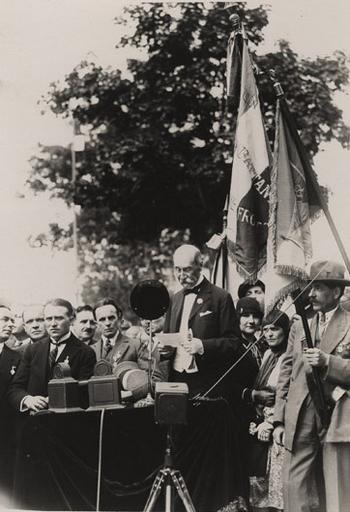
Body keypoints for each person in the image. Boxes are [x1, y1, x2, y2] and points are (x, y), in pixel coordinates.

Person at [273, 260, 350, 512]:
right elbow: (286, 373)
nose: (312, 293)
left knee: (337, 489)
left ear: (337, 292)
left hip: (337, 416)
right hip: (301, 414)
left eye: (319, 288)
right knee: (293, 486)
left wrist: (329, 361)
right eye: (311, 287)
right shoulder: (299, 326)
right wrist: (279, 420)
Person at [163, 244, 239, 398]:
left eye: (187, 269)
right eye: (177, 269)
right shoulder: (175, 299)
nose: (181, 275)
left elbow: (234, 342)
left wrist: (203, 346)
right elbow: (169, 337)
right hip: (177, 379)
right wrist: (165, 350)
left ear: (200, 265)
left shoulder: (220, 297)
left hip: (207, 382)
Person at [8, 298, 96, 413]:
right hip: (34, 421)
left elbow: (85, 392)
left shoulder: (86, 352)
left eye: (59, 318)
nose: (53, 324)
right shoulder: (32, 350)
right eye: (49, 319)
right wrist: (28, 400)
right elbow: (15, 388)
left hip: (67, 421)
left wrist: (56, 399)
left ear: (72, 319)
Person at [245, 310, 290, 512]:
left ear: (286, 331)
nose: (270, 334)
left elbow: (288, 394)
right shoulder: (268, 355)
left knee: (278, 490)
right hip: (261, 426)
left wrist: (272, 423)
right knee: (258, 487)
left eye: (275, 329)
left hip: (281, 426)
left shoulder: (291, 356)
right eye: (266, 330)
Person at [93, 298, 164, 392]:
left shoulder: (136, 345)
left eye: (111, 318)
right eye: (102, 319)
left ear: (119, 319)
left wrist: (131, 393)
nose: (107, 323)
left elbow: (155, 379)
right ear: (96, 324)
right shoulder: (91, 350)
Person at [0, 305, 21, 506]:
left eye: (11, 320)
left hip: (6, 440)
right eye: (4, 319)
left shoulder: (18, 358)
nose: (10, 324)